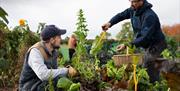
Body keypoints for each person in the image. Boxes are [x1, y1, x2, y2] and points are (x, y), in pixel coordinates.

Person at [102, 0, 166, 83]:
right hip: (145, 44)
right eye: (130, 1)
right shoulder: (133, 10)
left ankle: (153, 86)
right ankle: (156, 79)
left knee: (148, 63)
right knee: (149, 64)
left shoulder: (150, 16)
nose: (131, 4)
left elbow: (144, 37)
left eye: (134, 1)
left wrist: (128, 44)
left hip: (157, 44)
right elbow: (121, 15)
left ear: (141, 1)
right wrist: (110, 23)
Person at [19, 25, 77, 91]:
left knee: (61, 78)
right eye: (59, 37)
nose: (61, 39)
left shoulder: (53, 51)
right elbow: (43, 74)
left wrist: (67, 69)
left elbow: (54, 70)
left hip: (41, 82)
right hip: (29, 86)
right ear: (52, 40)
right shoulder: (36, 51)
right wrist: (66, 71)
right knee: (55, 83)